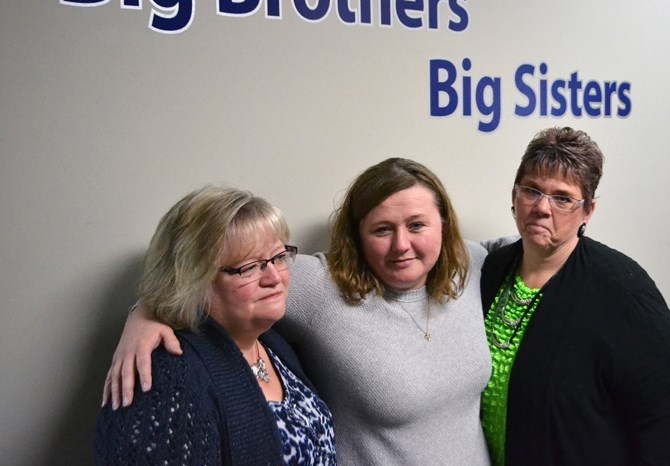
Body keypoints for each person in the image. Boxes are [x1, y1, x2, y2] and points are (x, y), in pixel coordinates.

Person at [103, 159, 494, 465]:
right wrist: (147, 315)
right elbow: (197, 275)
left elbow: (544, 245)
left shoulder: (473, 264)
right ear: (357, 236)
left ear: (445, 224)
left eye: (417, 224)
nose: (401, 245)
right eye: (381, 230)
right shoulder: (320, 286)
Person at [480, 127, 670, 465]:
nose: (542, 208)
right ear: (514, 195)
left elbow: (665, 415)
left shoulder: (621, 288)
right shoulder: (492, 271)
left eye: (562, 198)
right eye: (531, 191)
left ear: (588, 211)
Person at [95, 185, 337, 465]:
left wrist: (141, 312)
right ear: (193, 280)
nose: (274, 277)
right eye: (249, 267)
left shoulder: (271, 341)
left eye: (279, 257)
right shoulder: (168, 380)